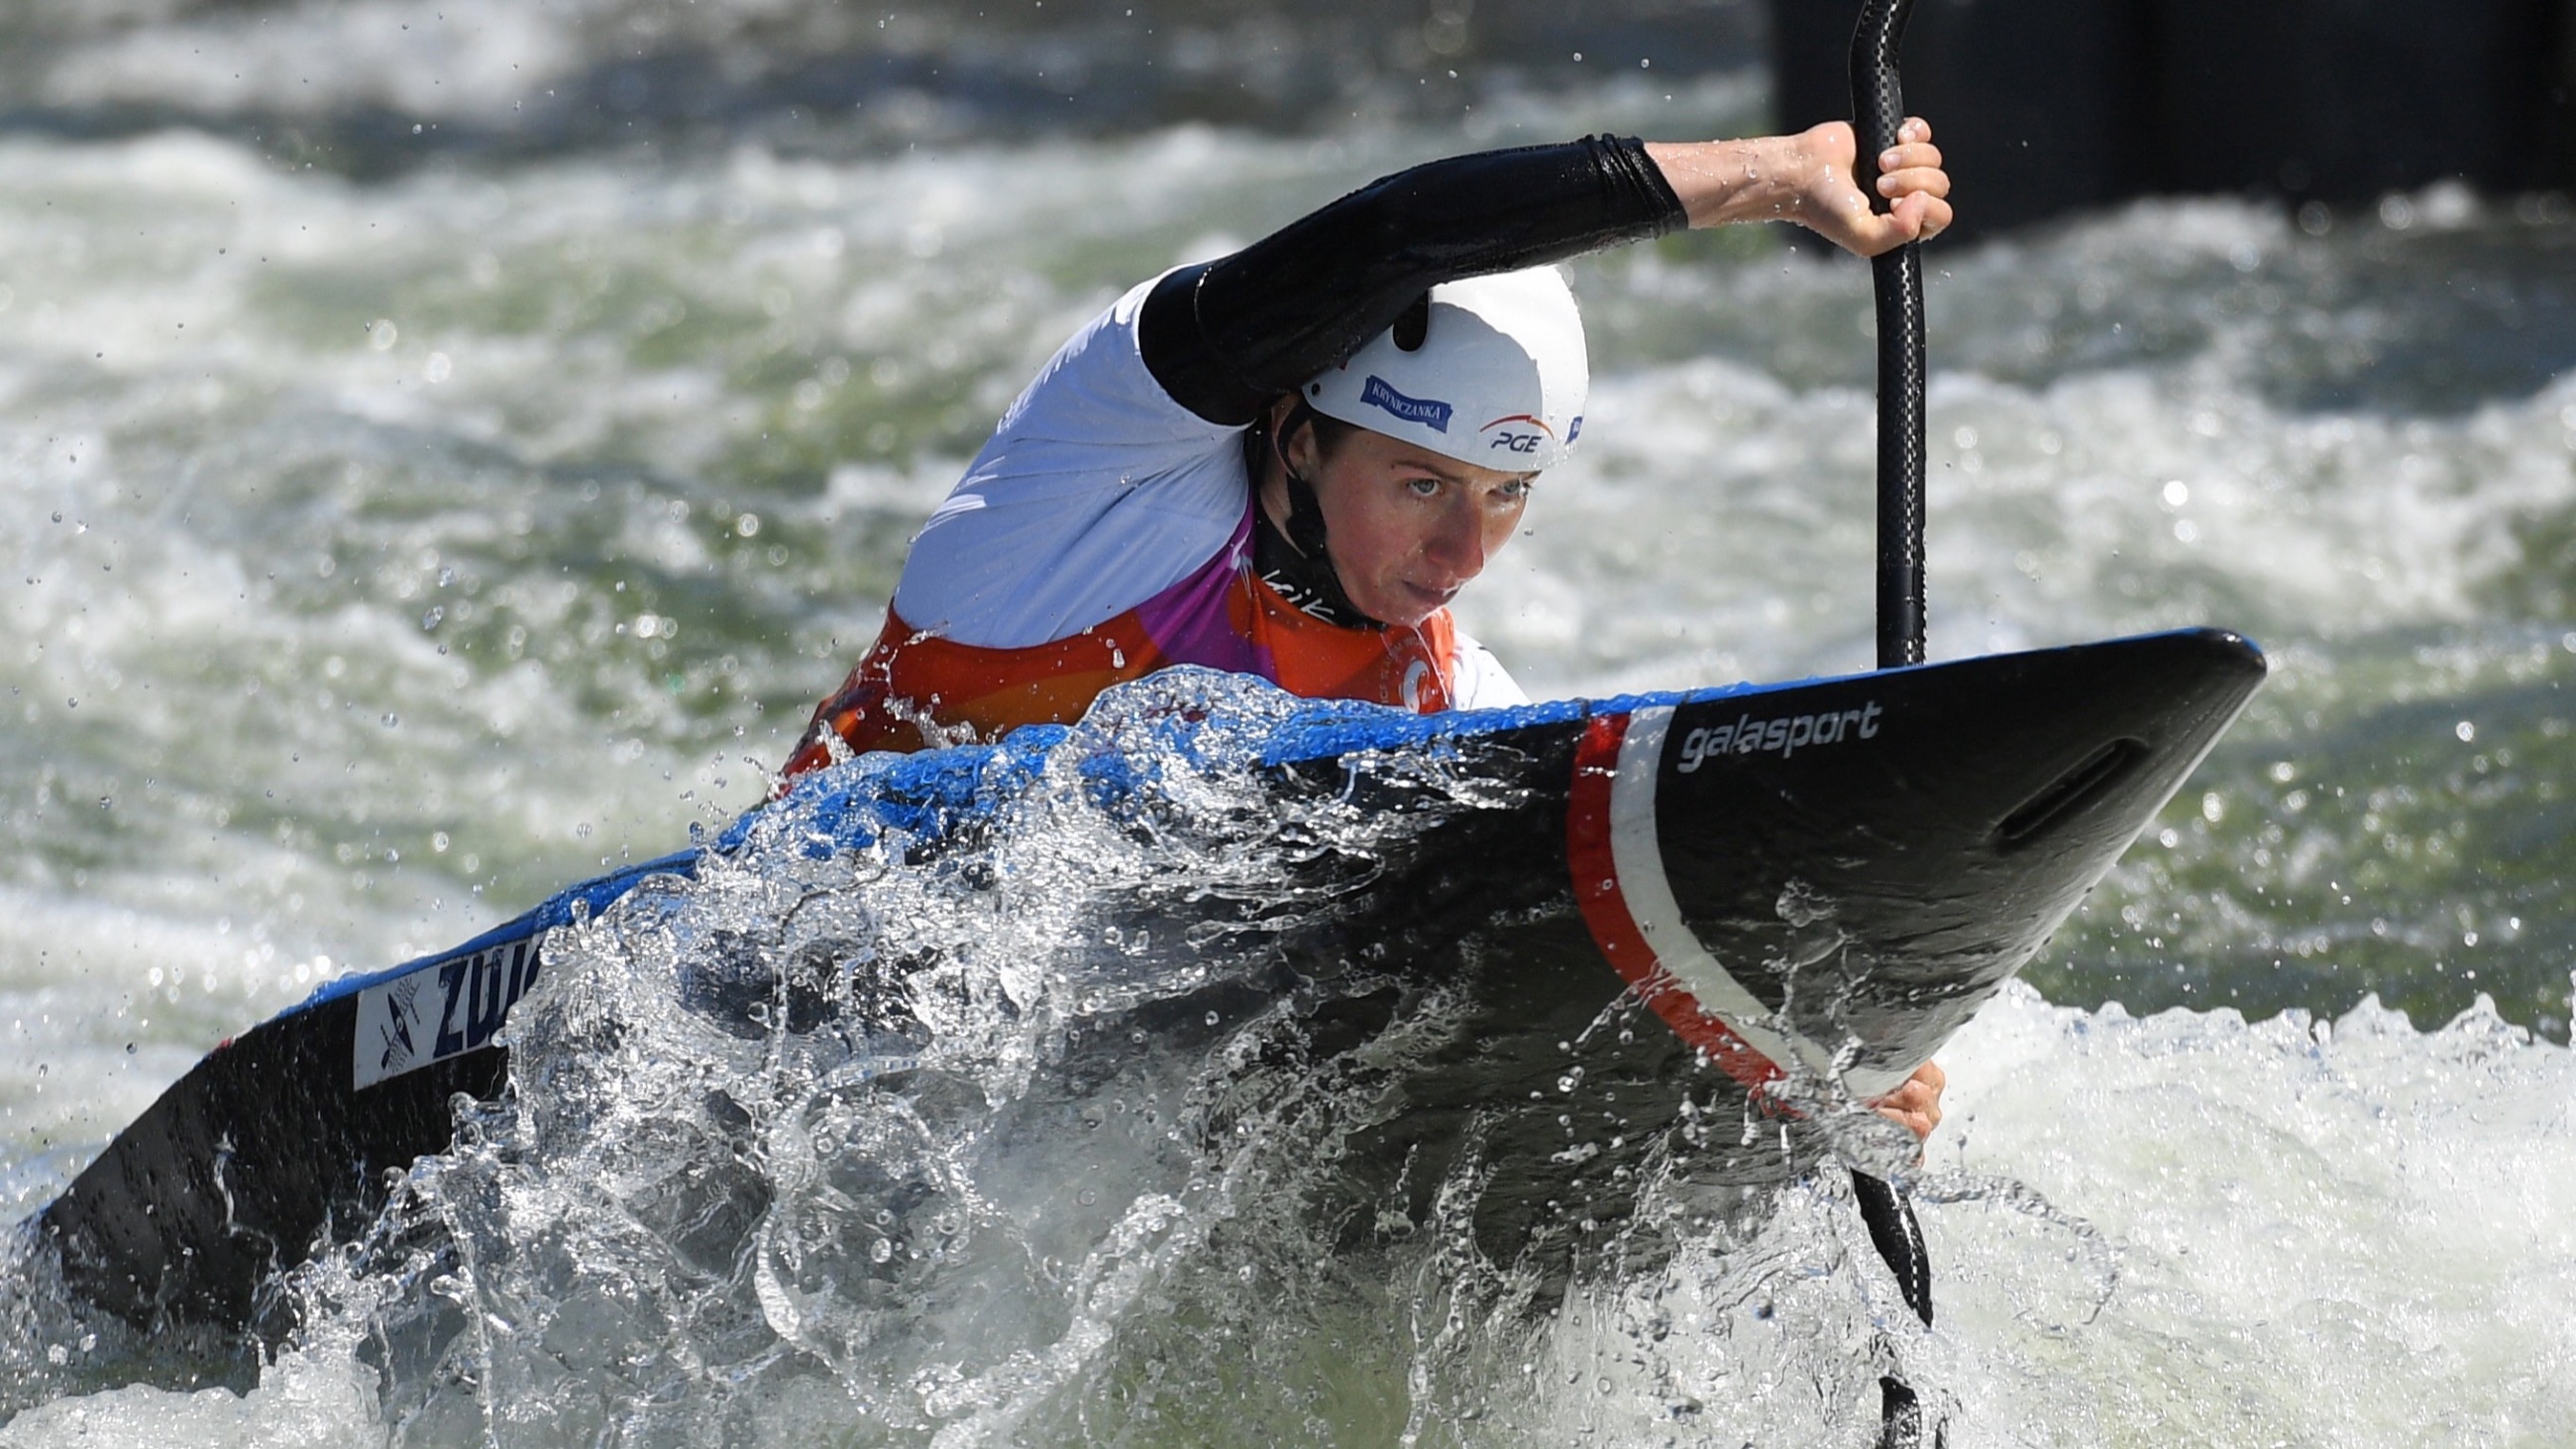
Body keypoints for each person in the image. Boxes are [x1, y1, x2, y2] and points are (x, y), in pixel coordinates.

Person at [785, 119, 1954, 1140]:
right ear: (1297, 433)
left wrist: (1798, 1052)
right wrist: (1778, 177)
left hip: (1038, 1098)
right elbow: (1394, 236)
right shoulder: (1094, 474)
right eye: (1418, 484)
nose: (1461, 554)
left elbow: (1596, 946)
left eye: (1505, 496)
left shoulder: (1442, 703)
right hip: (788, 1004)